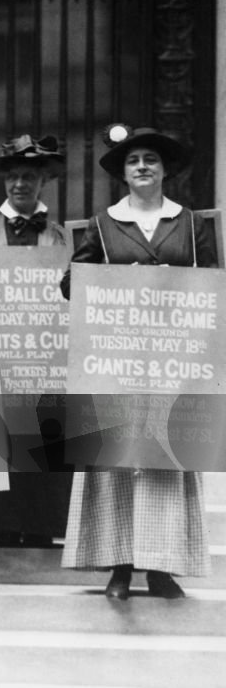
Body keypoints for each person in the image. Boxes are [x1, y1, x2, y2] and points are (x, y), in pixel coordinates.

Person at [59, 126, 215, 600]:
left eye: (151, 159)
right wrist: (114, 280)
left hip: (172, 361)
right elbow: (72, 285)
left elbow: (215, 283)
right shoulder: (104, 226)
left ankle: (163, 567)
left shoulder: (190, 224)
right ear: (123, 174)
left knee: (167, 458)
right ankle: (120, 566)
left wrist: (180, 281)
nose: (142, 166)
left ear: (165, 170)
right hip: (117, 360)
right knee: (119, 462)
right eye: (133, 161)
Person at [0, 134, 71, 548]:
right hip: (0, 356)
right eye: (13, 177)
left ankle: (41, 525)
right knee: (1, 435)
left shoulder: (62, 237)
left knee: (43, 433)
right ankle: (0, 524)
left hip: (44, 358)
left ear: (43, 180)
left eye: (29, 176)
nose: (20, 184)